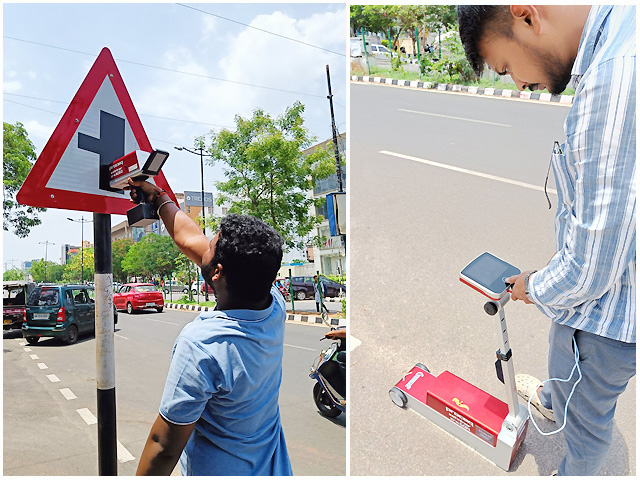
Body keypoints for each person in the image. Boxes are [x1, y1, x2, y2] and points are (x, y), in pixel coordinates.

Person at [457, 5, 635, 476]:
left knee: (589, 426)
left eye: (506, 67)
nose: (516, 83)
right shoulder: (622, 31)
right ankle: (555, 398)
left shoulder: (612, 83)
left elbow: (590, 268)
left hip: (608, 318)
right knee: (567, 365)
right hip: (604, 299)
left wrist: (532, 285)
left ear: (524, 16)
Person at [130, 179, 292, 476]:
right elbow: (189, 239)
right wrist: (160, 199)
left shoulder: (202, 344)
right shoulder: (274, 305)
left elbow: (164, 446)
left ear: (217, 272)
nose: (205, 242)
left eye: (212, 242)